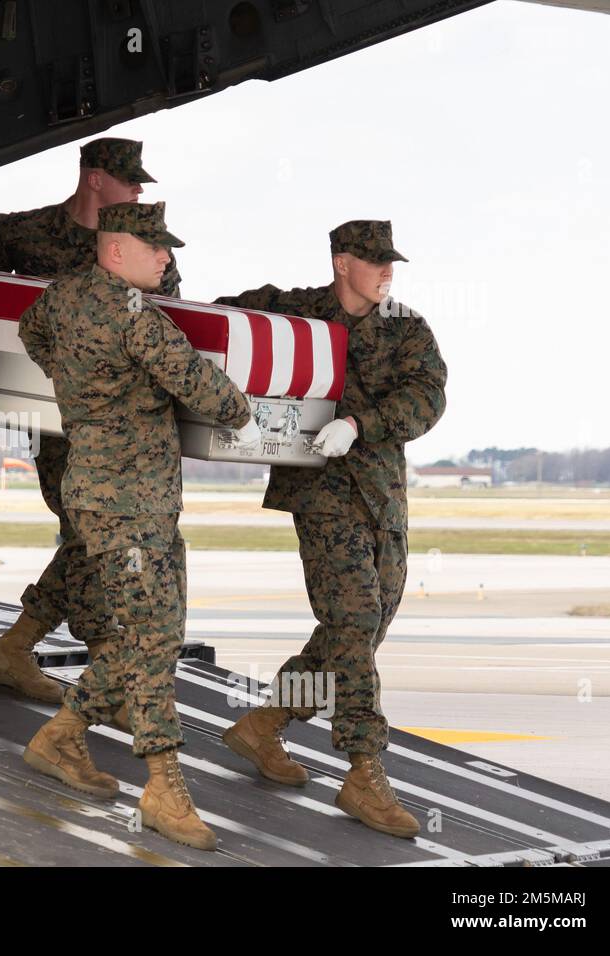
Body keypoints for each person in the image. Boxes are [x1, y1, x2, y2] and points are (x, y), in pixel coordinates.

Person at [21, 201, 257, 851]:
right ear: (116, 249)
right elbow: (219, 401)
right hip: (135, 506)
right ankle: (162, 784)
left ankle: (63, 734)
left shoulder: (64, 298)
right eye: (156, 248)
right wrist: (238, 406)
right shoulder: (140, 322)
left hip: (99, 495)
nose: (168, 259)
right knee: (151, 641)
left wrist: (79, 387)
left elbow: (29, 332)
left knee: (151, 635)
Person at [215, 220, 447, 839]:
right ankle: (363, 770)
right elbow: (219, 322)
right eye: (375, 262)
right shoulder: (295, 314)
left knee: (364, 625)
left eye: (391, 262)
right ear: (343, 263)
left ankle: (264, 725)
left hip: (381, 495)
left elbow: (429, 396)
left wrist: (362, 423)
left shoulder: (405, 325)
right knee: (353, 619)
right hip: (320, 493)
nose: (387, 272)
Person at [0, 138, 181, 703]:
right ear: (96, 178)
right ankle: (96, 667)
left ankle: (25, 646)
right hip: (51, 421)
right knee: (93, 534)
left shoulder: (143, 248)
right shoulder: (21, 232)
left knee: (89, 535)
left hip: (120, 427)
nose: (139, 190)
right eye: (130, 180)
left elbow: (169, 324)